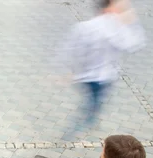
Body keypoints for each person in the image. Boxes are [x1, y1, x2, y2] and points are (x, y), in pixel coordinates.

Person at [60, 0, 145, 134]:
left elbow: (72, 50)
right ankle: (80, 127)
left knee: (93, 102)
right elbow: (133, 44)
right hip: (102, 78)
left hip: (87, 77)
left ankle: (85, 122)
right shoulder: (114, 28)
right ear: (109, 8)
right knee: (93, 104)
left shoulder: (85, 27)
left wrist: (71, 71)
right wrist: (132, 21)